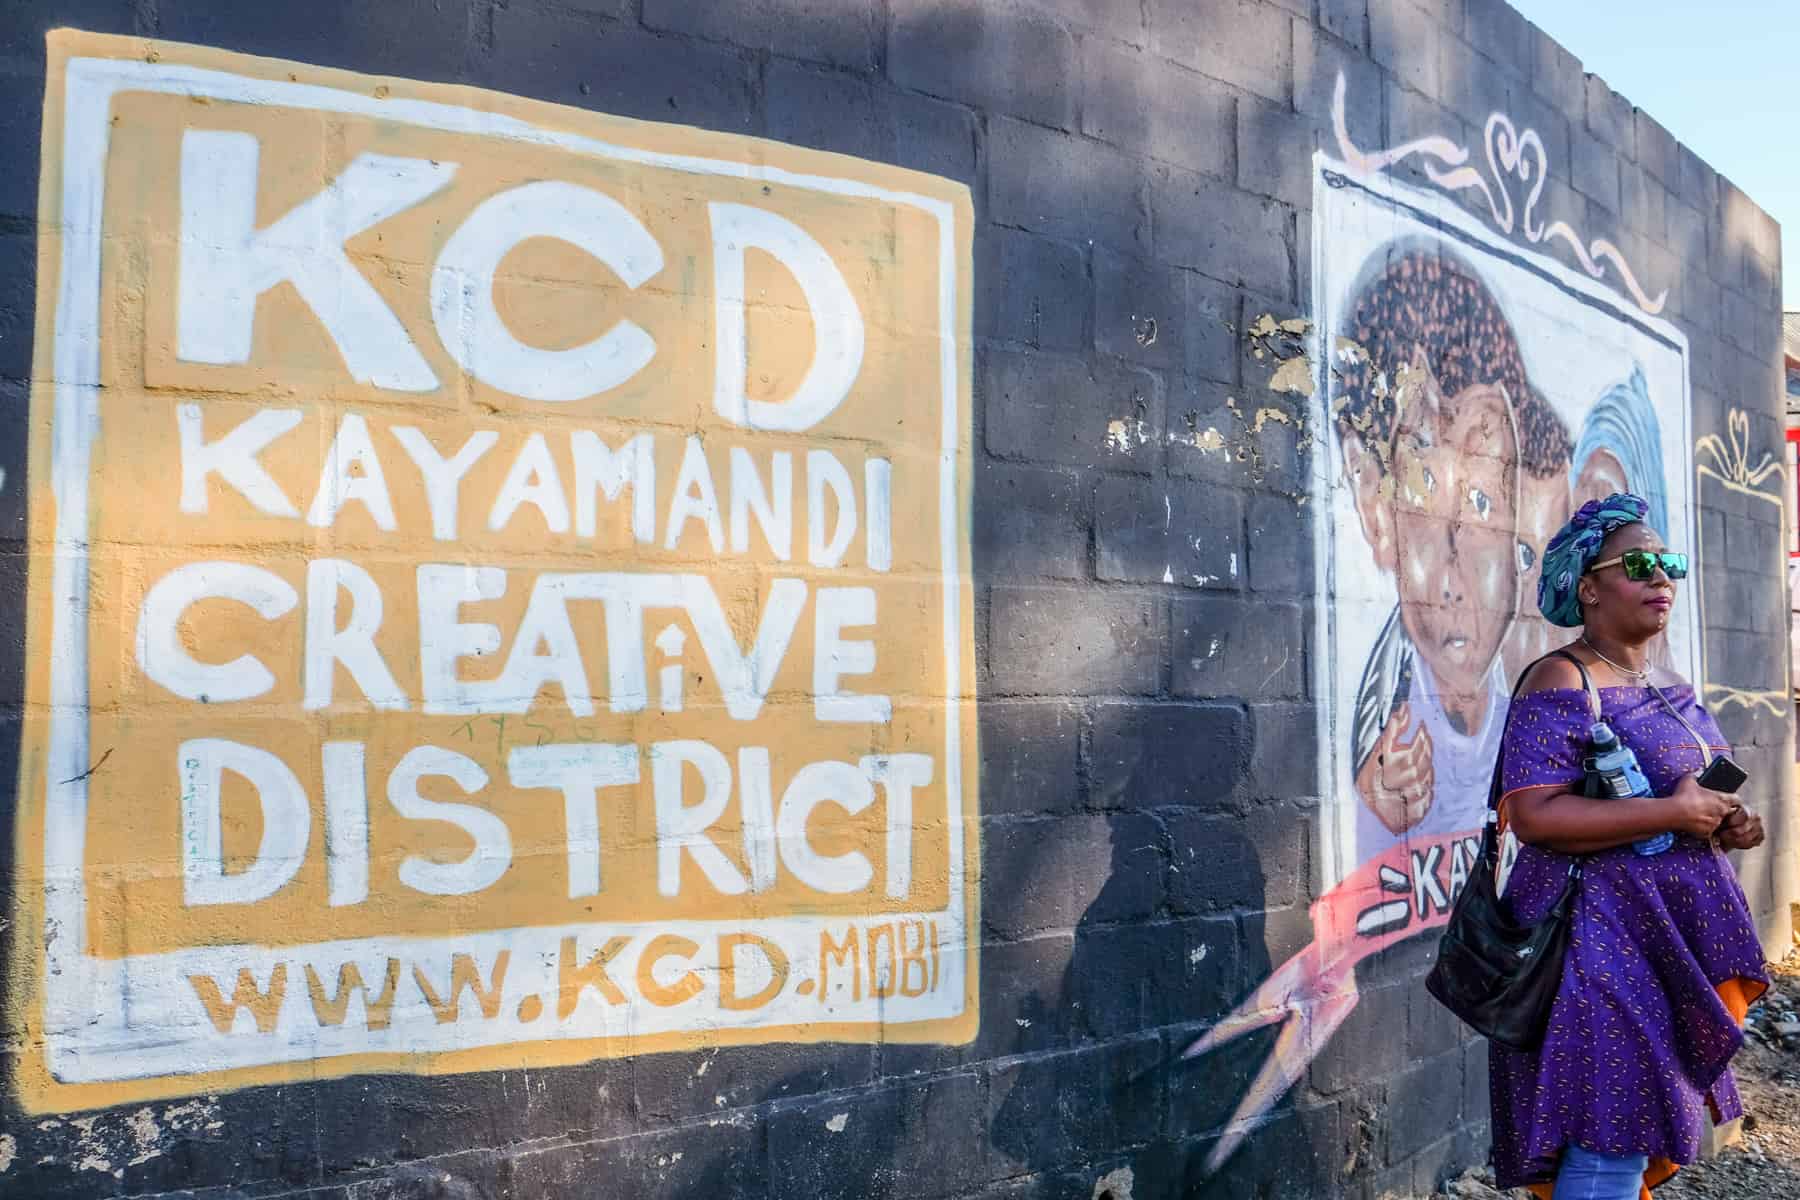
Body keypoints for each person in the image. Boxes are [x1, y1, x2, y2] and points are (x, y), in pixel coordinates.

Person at [1489, 493, 1768, 1200]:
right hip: (1599, 949)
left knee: (1631, 1129)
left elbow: (1686, 807)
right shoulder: (1564, 679)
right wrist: (1671, 810)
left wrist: (1725, 824)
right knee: (1609, 1137)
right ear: (1588, 588)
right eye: (1639, 565)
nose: (1662, 579)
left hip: (1665, 946)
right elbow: (1533, 814)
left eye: (1668, 564)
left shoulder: (1674, 690)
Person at [1335, 246, 1530, 854]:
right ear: (1375, 509)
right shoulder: (1375, 735)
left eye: (1479, 505)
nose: (1456, 574)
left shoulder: (1536, 710)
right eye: (1421, 499)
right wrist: (1370, 808)